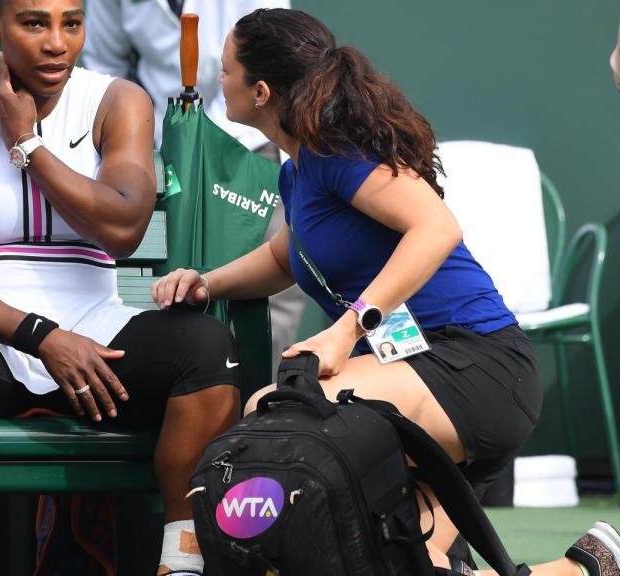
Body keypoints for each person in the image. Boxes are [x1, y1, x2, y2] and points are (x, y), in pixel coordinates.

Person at [152, 8, 619, 576]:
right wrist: (207, 281)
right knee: (408, 568)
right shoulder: (297, 170)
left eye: (224, 70)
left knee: (276, 415)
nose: (216, 81)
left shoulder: (336, 153)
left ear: (261, 91)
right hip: (418, 380)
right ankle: (585, 567)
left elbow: (438, 226)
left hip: (475, 366)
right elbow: (284, 257)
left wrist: (348, 329)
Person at [0, 1, 239, 575]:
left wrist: (28, 143)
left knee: (205, 347)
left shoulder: (117, 101)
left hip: (97, 339)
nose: (56, 42)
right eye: (34, 23)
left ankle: (183, 563)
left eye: (71, 23)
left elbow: (125, 228)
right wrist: (43, 337)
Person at [83, 0, 306, 376]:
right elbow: (106, 66)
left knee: (273, 286)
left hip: (248, 139)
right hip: (161, 146)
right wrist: (160, 131)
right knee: (170, 280)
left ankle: (264, 400)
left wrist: (202, 133)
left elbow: (270, 56)